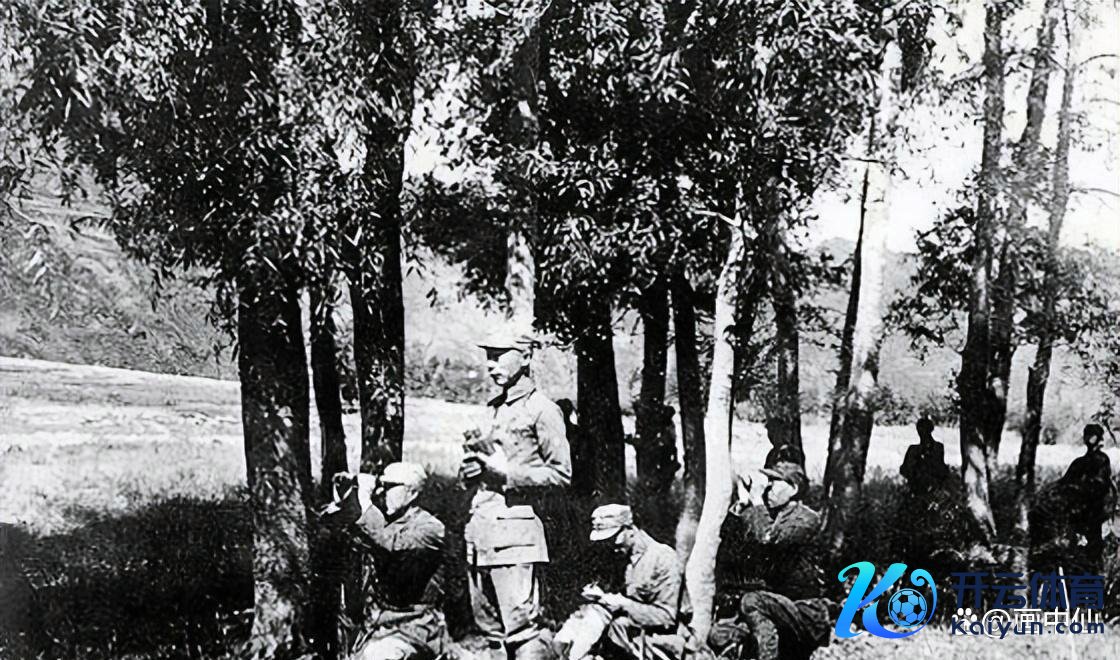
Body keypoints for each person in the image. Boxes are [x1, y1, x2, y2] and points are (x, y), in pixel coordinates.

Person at [460, 326, 571, 660]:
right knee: (491, 631)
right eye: (488, 357)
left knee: (523, 631)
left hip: (517, 536)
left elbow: (561, 474)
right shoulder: (492, 408)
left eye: (499, 356)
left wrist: (507, 474)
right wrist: (469, 473)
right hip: (481, 534)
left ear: (526, 356)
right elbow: (476, 471)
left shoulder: (543, 409)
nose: (491, 364)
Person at [324, 463, 449, 660]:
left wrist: (365, 504)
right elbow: (338, 529)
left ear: (412, 493)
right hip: (379, 626)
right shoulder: (388, 521)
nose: (382, 492)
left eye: (390, 487)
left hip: (414, 626)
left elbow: (390, 543)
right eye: (381, 486)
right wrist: (346, 500)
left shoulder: (430, 528)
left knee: (378, 655)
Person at [708, 463, 830, 660]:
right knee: (720, 635)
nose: (767, 488)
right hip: (770, 608)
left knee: (752, 601)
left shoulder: (806, 519)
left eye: (774, 482)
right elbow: (729, 541)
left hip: (804, 611)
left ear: (794, 489)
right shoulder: (765, 515)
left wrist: (757, 502)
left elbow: (769, 540)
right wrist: (742, 504)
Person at [553, 504, 686, 660]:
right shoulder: (618, 555)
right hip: (620, 638)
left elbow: (667, 617)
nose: (610, 544)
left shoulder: (663, 558)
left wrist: (624, 604)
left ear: (630, 530)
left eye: (613, 537)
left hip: (653, 642)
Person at [1034, 423, 1116, 573]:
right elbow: (1064, 482)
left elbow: (1100, 485)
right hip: (1077, 511)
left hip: (1094, 510)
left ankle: (1095, 573)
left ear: (1099, 439)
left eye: (1093, 435)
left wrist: (1079, 489)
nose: (1088, 438)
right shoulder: (1079, 462)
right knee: (1075, 545)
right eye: (1087, 435)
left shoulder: (1102, 460)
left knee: (1094, 544)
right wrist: (1049, 489)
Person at [899, 418, 951, 494]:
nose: (921, 433)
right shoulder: (913, 449)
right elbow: (905, 469)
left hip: (932, 489)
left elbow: (940, 469)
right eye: (920, 431)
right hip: (917, 489)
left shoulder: (937, 447)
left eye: (924, 430)